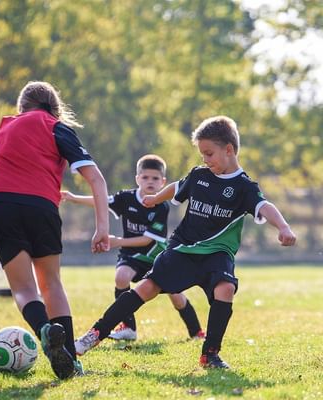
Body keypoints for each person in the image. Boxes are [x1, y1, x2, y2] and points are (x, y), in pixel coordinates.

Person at [74, 115, 296, 369]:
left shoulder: (244, 187)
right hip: (183, 248)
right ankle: (94, 335)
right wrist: (156, 197)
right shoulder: (200, 175)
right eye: (202, 154)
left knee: (226, 288)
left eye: (209, 153)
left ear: (229, 150)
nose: (205, 159)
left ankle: (210, 354)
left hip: (217, 253)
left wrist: (283, 227)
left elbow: (264, 206)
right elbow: (177, 186)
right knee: (146, 289)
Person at [0, 81, 109, 379]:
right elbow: (96, 179)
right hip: (41, 204)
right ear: (54, 107)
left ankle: (44, 330)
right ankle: (69, 360)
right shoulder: (57, 127)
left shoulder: (4, 128)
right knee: (51, 283)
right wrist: (101, 228)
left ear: (21, 107)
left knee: (24, 289)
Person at [62, 154, 204, 341]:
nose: (150, 182)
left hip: (155, 257)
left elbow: (146, 241)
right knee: (121, 277)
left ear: (163, 182)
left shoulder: (161, 206)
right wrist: (73, 198)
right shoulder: (126, 198)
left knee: (176, 295)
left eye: (155, 178)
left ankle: (196, 332)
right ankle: (128, 328)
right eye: (145, 177)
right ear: (137, 179)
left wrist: (116, 241)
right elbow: (102, 200)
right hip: (131, 256)